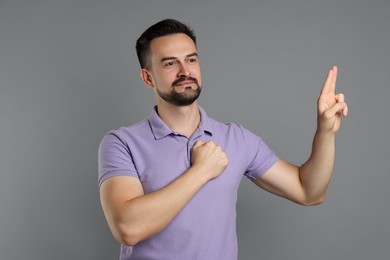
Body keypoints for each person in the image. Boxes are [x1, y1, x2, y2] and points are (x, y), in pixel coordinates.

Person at [98, 18, 348, 260]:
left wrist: (325, 131)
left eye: (191, 60)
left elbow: (309, 192)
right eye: (170, 64)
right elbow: (127, 228)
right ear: (148, 77)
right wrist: (202, 171)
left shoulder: (237, 139)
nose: (185, 71)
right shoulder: (122, 143)